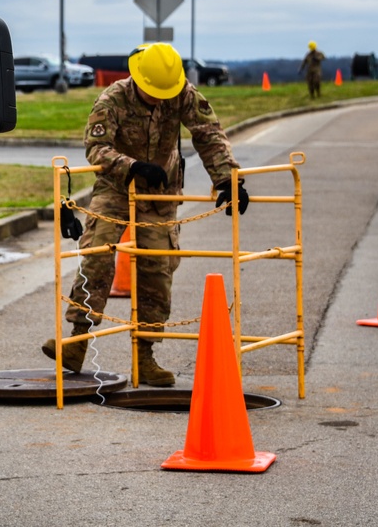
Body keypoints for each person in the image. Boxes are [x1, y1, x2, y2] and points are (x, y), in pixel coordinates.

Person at [42, 42, 248, 386]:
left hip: (160, 190)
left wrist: (228, 179)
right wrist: (131, 165)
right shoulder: (113, 99)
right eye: (152, 93)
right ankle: (77, 340)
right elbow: (96, 148)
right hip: (117, 185)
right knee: (97, 255)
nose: (158, 99)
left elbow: (209, 134)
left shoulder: (181, 93)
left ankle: (145, 356)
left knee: (157, 265)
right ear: (137, 80)